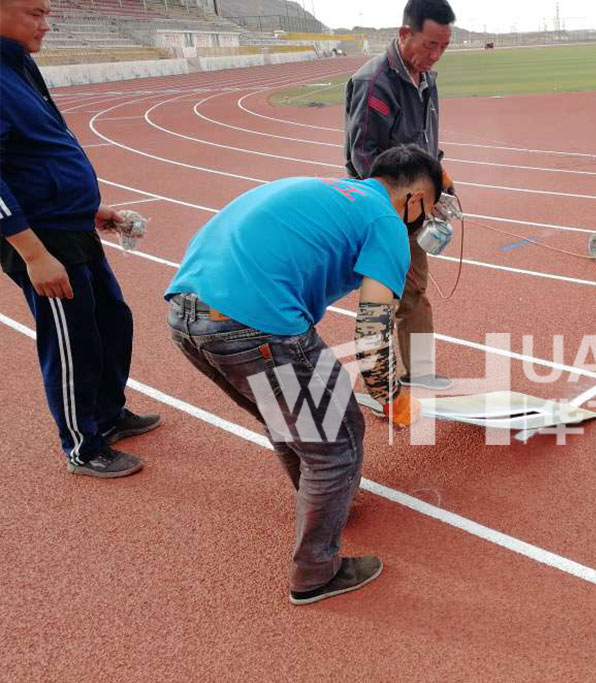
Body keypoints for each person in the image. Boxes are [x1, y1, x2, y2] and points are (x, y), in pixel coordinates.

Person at [165, 144, 442, 606]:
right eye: (428, 209)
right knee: (338, 442)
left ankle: (325, 503)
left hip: (186, 317)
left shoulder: (331, 192)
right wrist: (392, 398)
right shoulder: (386, 223)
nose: (424, 222)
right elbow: (373, 332)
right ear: (413, 198)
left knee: (288, 421)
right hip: (253, 323)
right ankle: (316, 571)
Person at [1, 0, 161, 478]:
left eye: (47, 13)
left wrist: (91, 209)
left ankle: (108, 416)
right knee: (72, 339)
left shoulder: (19, 65)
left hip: (69, 224)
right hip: (40, 238)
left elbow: (41, 152)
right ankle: (82, 444)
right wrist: (33, 254)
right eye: (34, 13)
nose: (46, 25)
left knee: (112, 320)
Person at [345, 0, 457, 391]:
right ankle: (384, 384)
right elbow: (364, 158)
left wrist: (439, 181)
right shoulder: (374, 82)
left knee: (414, 291)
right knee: (388, 297)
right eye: (429, 45)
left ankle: (416, 374)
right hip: (385, 209)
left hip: (416, 206)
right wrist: (401, 208)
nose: (436, 54)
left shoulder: (427, 79)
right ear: (404, 33)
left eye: (443, 46)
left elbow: (425, 145)